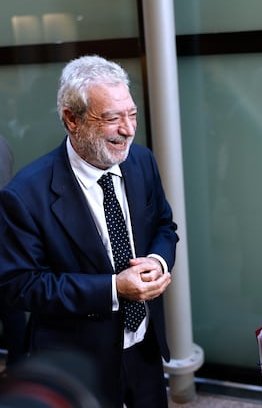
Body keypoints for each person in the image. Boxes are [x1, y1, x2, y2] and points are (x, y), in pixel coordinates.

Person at [0, 55, 179, 408]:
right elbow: (19, 285)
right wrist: (114, 288)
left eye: (132, 114)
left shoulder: (141, 161)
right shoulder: (25, 194)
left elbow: (163, 224)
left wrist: (157, 262)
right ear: (71, 119)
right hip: (77, 361)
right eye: (112, 118)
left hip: (143, 347)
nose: (128, 129)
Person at [0, 136, 27, 370]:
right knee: (11, 305)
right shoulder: (3, 142)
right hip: (6, 237)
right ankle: (18, 364)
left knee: (10, 305)